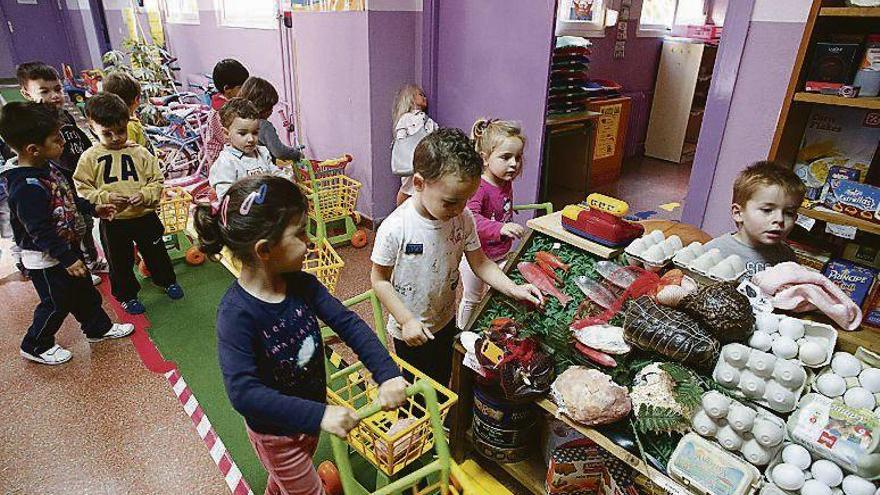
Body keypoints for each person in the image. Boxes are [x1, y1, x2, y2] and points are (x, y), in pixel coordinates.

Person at [194, 175, 407, 495]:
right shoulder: (236, 314)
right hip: (277, 436)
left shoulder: (302, 285)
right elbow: (243, 393)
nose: (310, 242)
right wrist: (320, 414)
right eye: (301, 234)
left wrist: (387, 374)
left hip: (309, 421)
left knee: (283, 482)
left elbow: (347, 323)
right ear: (265, 250)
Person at [371, 128, 543, 386]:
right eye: (451, 201)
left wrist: (513, 288)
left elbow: (480, 262)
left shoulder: (463, 218)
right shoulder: (396, 228)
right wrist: (406, 321)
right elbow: (379, 280)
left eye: (466, 200)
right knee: (418, 389)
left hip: (445, 317)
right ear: (419, 184)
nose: (459, 209)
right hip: (412, 329)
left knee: (442, 378)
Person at [0, 102, 134, 365]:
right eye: (56, 139)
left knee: (84, 291)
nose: (63, 143)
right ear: (33, 149)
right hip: (47, 258)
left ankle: (97, 328)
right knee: (55, 303)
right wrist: (67, 258)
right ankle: (36, 344)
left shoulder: (49, 168)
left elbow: (68, 200)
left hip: (66, 248)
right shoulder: (26, 187)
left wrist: (95, 208)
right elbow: (39, 231)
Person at [73, 94, 183, 315]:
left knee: (157, 253)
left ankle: (167, 281)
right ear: (92, 128)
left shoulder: (140, 153)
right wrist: (105, 197)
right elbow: (82, 188)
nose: (115, 138)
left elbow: (157, 180)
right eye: (107, 133)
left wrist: (144, 194)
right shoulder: (89, 158)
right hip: (114, 221)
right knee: (119, 262)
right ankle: (127, 295)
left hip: (144, 216)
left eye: (120, 131)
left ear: (127, 124)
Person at [17, 62, 107, 278]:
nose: (55, 96)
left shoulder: (65, 115)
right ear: (26, 93)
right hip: (56, 182)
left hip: (75, 179)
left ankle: (91, 259)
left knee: (82, 221)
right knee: (70, 223)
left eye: (57, 89)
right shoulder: (34, 125)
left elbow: (80, 140)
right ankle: (81, 262)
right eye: (45, 91)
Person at [457, 119, 527, 329]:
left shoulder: (505, 182)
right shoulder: (479, 186)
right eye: (506, 157)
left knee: (500, 292)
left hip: (499, 253)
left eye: (518, 157)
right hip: (475, 256)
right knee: (473, 297)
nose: (514, 163)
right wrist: (500, 228)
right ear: (485, 159)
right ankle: (462, 331)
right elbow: (472, 219)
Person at [704, 161, 807, 277]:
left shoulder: (786, 256)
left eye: (789, 213)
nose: (779, 219)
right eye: (767, 210)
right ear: (738, 213)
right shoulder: (714, 251)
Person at [209, 98, 290, 199]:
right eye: (243, 133)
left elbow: (275, 173)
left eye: (255, 132)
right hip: (244, 211)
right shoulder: (226, 162)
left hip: (268, 204)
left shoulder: (262, 152)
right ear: (226, 133)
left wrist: (286, 182)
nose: (251, 139)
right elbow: (226, 198)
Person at [392, 84, 437, 206]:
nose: (424, 97)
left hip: (425, 158)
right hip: (410, 157)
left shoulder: (429, 121)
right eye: (420, 95)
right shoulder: (406, 118)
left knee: (421, 186)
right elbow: (400, 137)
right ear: (411, 98)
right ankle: (398, 212)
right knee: (407, 187)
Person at [239, 76, 303, 162]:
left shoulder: (238, 121)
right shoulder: (264, 126)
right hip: (263, 170)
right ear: (262, 108)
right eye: (270, 107)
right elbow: (279, 152)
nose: (272, 111)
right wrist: (296, 154)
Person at [203, 59, 250, 170]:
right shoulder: (220, 111)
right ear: (227, 89)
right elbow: (229, 140)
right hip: (220, 163)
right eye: (241, 87)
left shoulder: (229, 104)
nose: (245, 91)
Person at [102, 71, 153, 153]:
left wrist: (155, 151)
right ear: (136, 99)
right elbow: (131, 155)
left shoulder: (122, 121)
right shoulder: (128, 126)